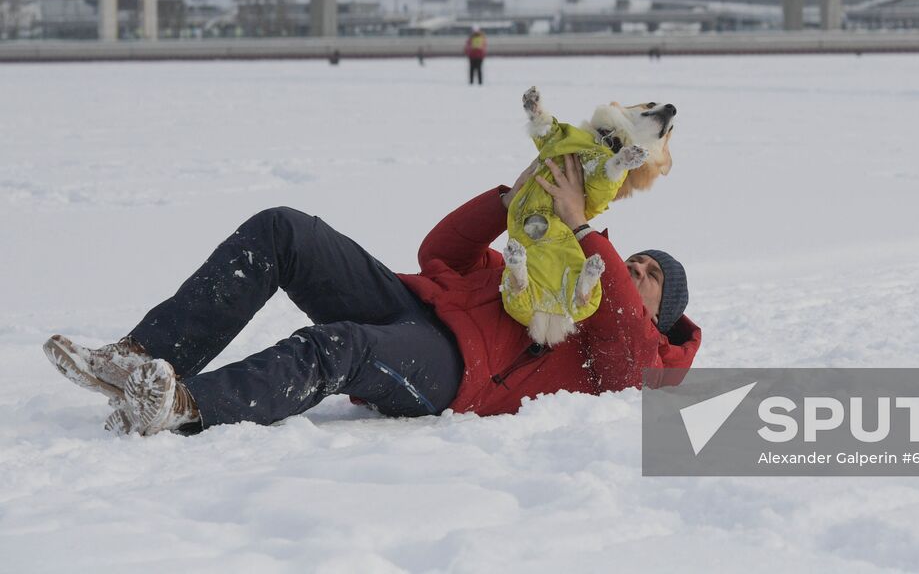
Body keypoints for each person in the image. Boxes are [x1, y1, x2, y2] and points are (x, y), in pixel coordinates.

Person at [43, 156, 700, 436]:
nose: (632, 267)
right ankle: (139, 358)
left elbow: (625, 341)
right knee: (284, 230)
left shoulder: (627, 361)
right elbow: (440, 254)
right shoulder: (551, 283)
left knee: (338, 348)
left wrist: (587, 229)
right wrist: (513, 198)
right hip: (414, 303)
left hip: (458, 374)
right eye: (634, 259)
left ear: (658, 312)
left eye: (648, 275)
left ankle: (184, 407)